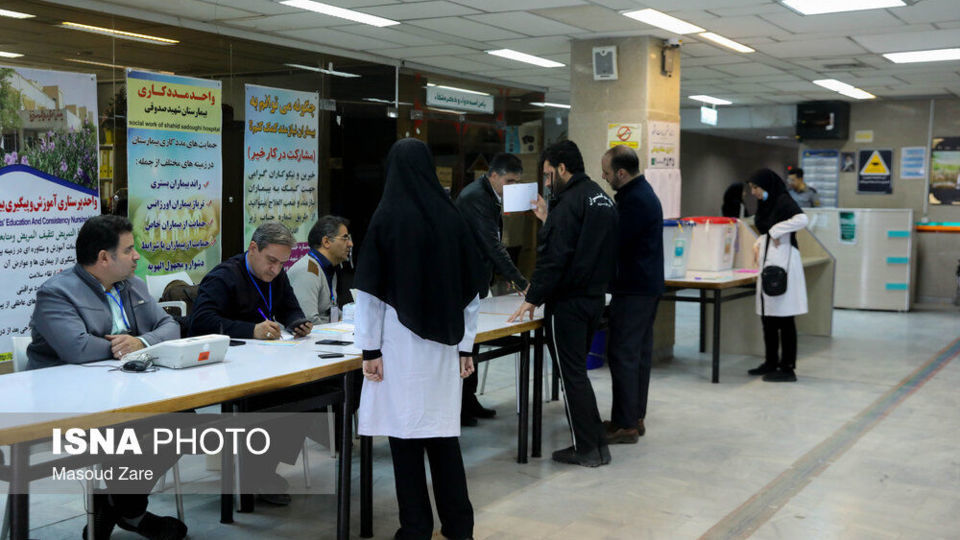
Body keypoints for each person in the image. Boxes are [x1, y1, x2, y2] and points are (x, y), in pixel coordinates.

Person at [27, 215, 186, 540]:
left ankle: (116, 505)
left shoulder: (133, 285)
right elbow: (77, 349)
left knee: (186, 422)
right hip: (70, 399)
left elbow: (171, 326)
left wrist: (141, 342)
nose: (136, 256)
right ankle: (130, 510)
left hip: (128, 390)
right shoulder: (56, 293)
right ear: (103, 257)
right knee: (136, 431)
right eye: (128, 250)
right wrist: (126, 347)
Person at [355, 138, 484, 540]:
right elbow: (471, 292)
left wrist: (369, 349)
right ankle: (459, 526)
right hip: (444, 349)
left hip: (397, 347)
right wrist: (466, 346)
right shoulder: (452, 217)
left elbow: (371, 295)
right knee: (444, 438)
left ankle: (415, 528)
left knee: (405, 440)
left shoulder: (387, 217)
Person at [188, 221, 314, 505]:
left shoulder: (275, 275)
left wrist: (297, 322)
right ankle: (255, 473)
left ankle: (262, 469)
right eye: (271, 260)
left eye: (282, 263)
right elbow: (201, 322)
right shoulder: (223, 277)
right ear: (253, 248)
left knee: (307, 393)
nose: (275, 269)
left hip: (263, 364)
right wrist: (251, 330)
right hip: (226, 367)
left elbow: (289, 307)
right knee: (271, 402)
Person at [509, 140, 618, 467]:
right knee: (578, 375)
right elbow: (580, 245)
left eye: (547, 174)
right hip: (595, 300)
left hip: (568, 304)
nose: (547, 182)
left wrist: (533, 297)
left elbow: (554, 258)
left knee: (571, 377)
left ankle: (586, 449)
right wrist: (550, 218)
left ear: (561, 168)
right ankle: (597, 445)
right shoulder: (601, 198)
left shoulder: (569, 202)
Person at [454, 152, 528, 426]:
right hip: (463, 281)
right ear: (493, 175)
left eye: (516, 182)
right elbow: (491, 244)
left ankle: (469, 399)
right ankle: (460, 405)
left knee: (473, 341)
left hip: (477, 277)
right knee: (464, 343)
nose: (512, 187)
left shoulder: (490, 195)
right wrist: (520, 281)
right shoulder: (476, 196)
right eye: (509, 181)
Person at [599, 145, 664, 444]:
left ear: (622, 173)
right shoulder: (640, 194)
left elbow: (615, 241)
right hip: (643, 286)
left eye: (607, 173)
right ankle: (633, 417)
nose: (604, 177)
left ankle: (626, 425)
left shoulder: (635, 200)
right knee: (637, 354)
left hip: (634, 289)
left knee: (623, 353)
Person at [747, 169, 809, 383]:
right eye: (751, 188)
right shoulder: (765, 204)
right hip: (769, 263)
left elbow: (802, 219)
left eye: (756, 187)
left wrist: (776, 230)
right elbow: (766, 231)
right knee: (769, 318)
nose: (753, 192)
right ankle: (771, 362)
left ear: (767, 186)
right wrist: (761, 240)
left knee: (785, 318)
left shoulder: (783, 200)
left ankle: (787, 368)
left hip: (784, 263)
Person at [288, 215, 354, 325]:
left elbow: (329, 311)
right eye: (345, 238)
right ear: (326, 242)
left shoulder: (327, 268)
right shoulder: (307, 270)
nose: (350, 244)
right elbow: (308, 322)